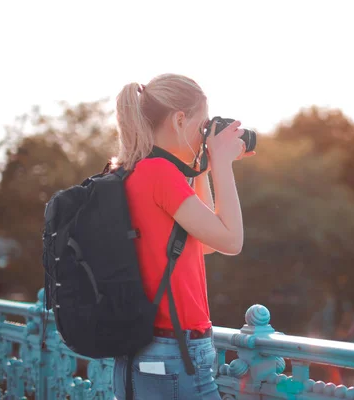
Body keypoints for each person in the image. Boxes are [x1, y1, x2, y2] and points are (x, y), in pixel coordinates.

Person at [111, 73, 254, 400]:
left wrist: (201, 169)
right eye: (203, 126)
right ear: (179, 119)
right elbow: (231, 242)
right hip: (175, 352)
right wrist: (221, 162)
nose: (205, 134)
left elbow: (202, 244)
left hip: (142, 351)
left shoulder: (132, 170)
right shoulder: (160, 174)